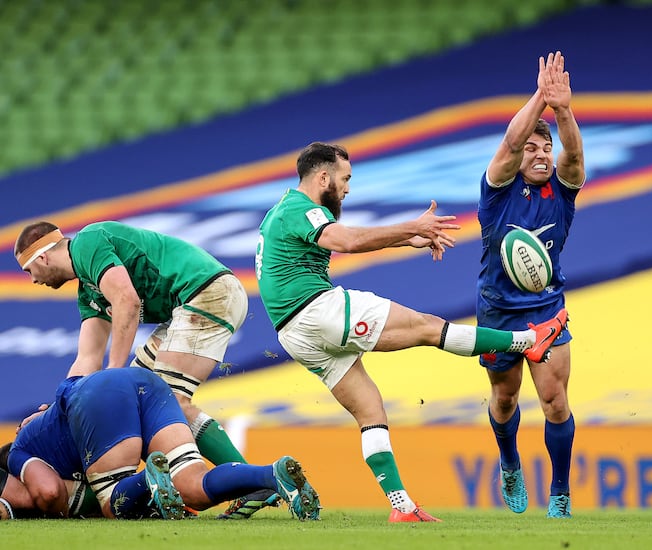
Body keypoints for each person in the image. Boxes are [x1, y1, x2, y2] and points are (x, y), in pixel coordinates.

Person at [255, 141, 568, 523]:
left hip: (292, 333)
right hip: (318, 310)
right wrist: (413, 227)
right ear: (323, 177)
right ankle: (528, 341)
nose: (348, 189)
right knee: (428, 328)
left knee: (370, 410)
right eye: (345, 179)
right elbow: (349, 241)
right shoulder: (299, 210)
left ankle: (402, 507)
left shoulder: (278, 214)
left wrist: (408, 239)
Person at [13, 220, 277, 518]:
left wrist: (113, 377)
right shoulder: (89, 291)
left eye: (28, 270)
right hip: (192, 302)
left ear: (43, 257)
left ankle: (251, 484)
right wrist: (60, 408)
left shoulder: (87, 243)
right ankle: (225, 482)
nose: (33, 280)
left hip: (205, 293)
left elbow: (127, 300)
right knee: (145, 402)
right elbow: (87, 359)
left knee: (168, 404)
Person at [476, 51, 584, 519]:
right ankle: (510, 461)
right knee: (504, 397)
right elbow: (509, 141)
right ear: (519, 159)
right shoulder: (498, 192)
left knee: (555, 401)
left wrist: (562, 110)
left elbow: (575, 155)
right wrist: (540, 96)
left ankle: (559, 491)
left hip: (546, 308)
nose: (542, 155)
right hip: (498, 310)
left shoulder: (563, 190)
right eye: (533, 150)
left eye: (547, 150)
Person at [6, 367, 321, 520]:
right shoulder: (45, 425)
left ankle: (148, 478)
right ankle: (270, 475)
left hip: (98, 398)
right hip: (147, 383)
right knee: (193, 487)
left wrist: (51, 507)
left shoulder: (19, 450)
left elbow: (48, 492)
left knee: (112, 503)